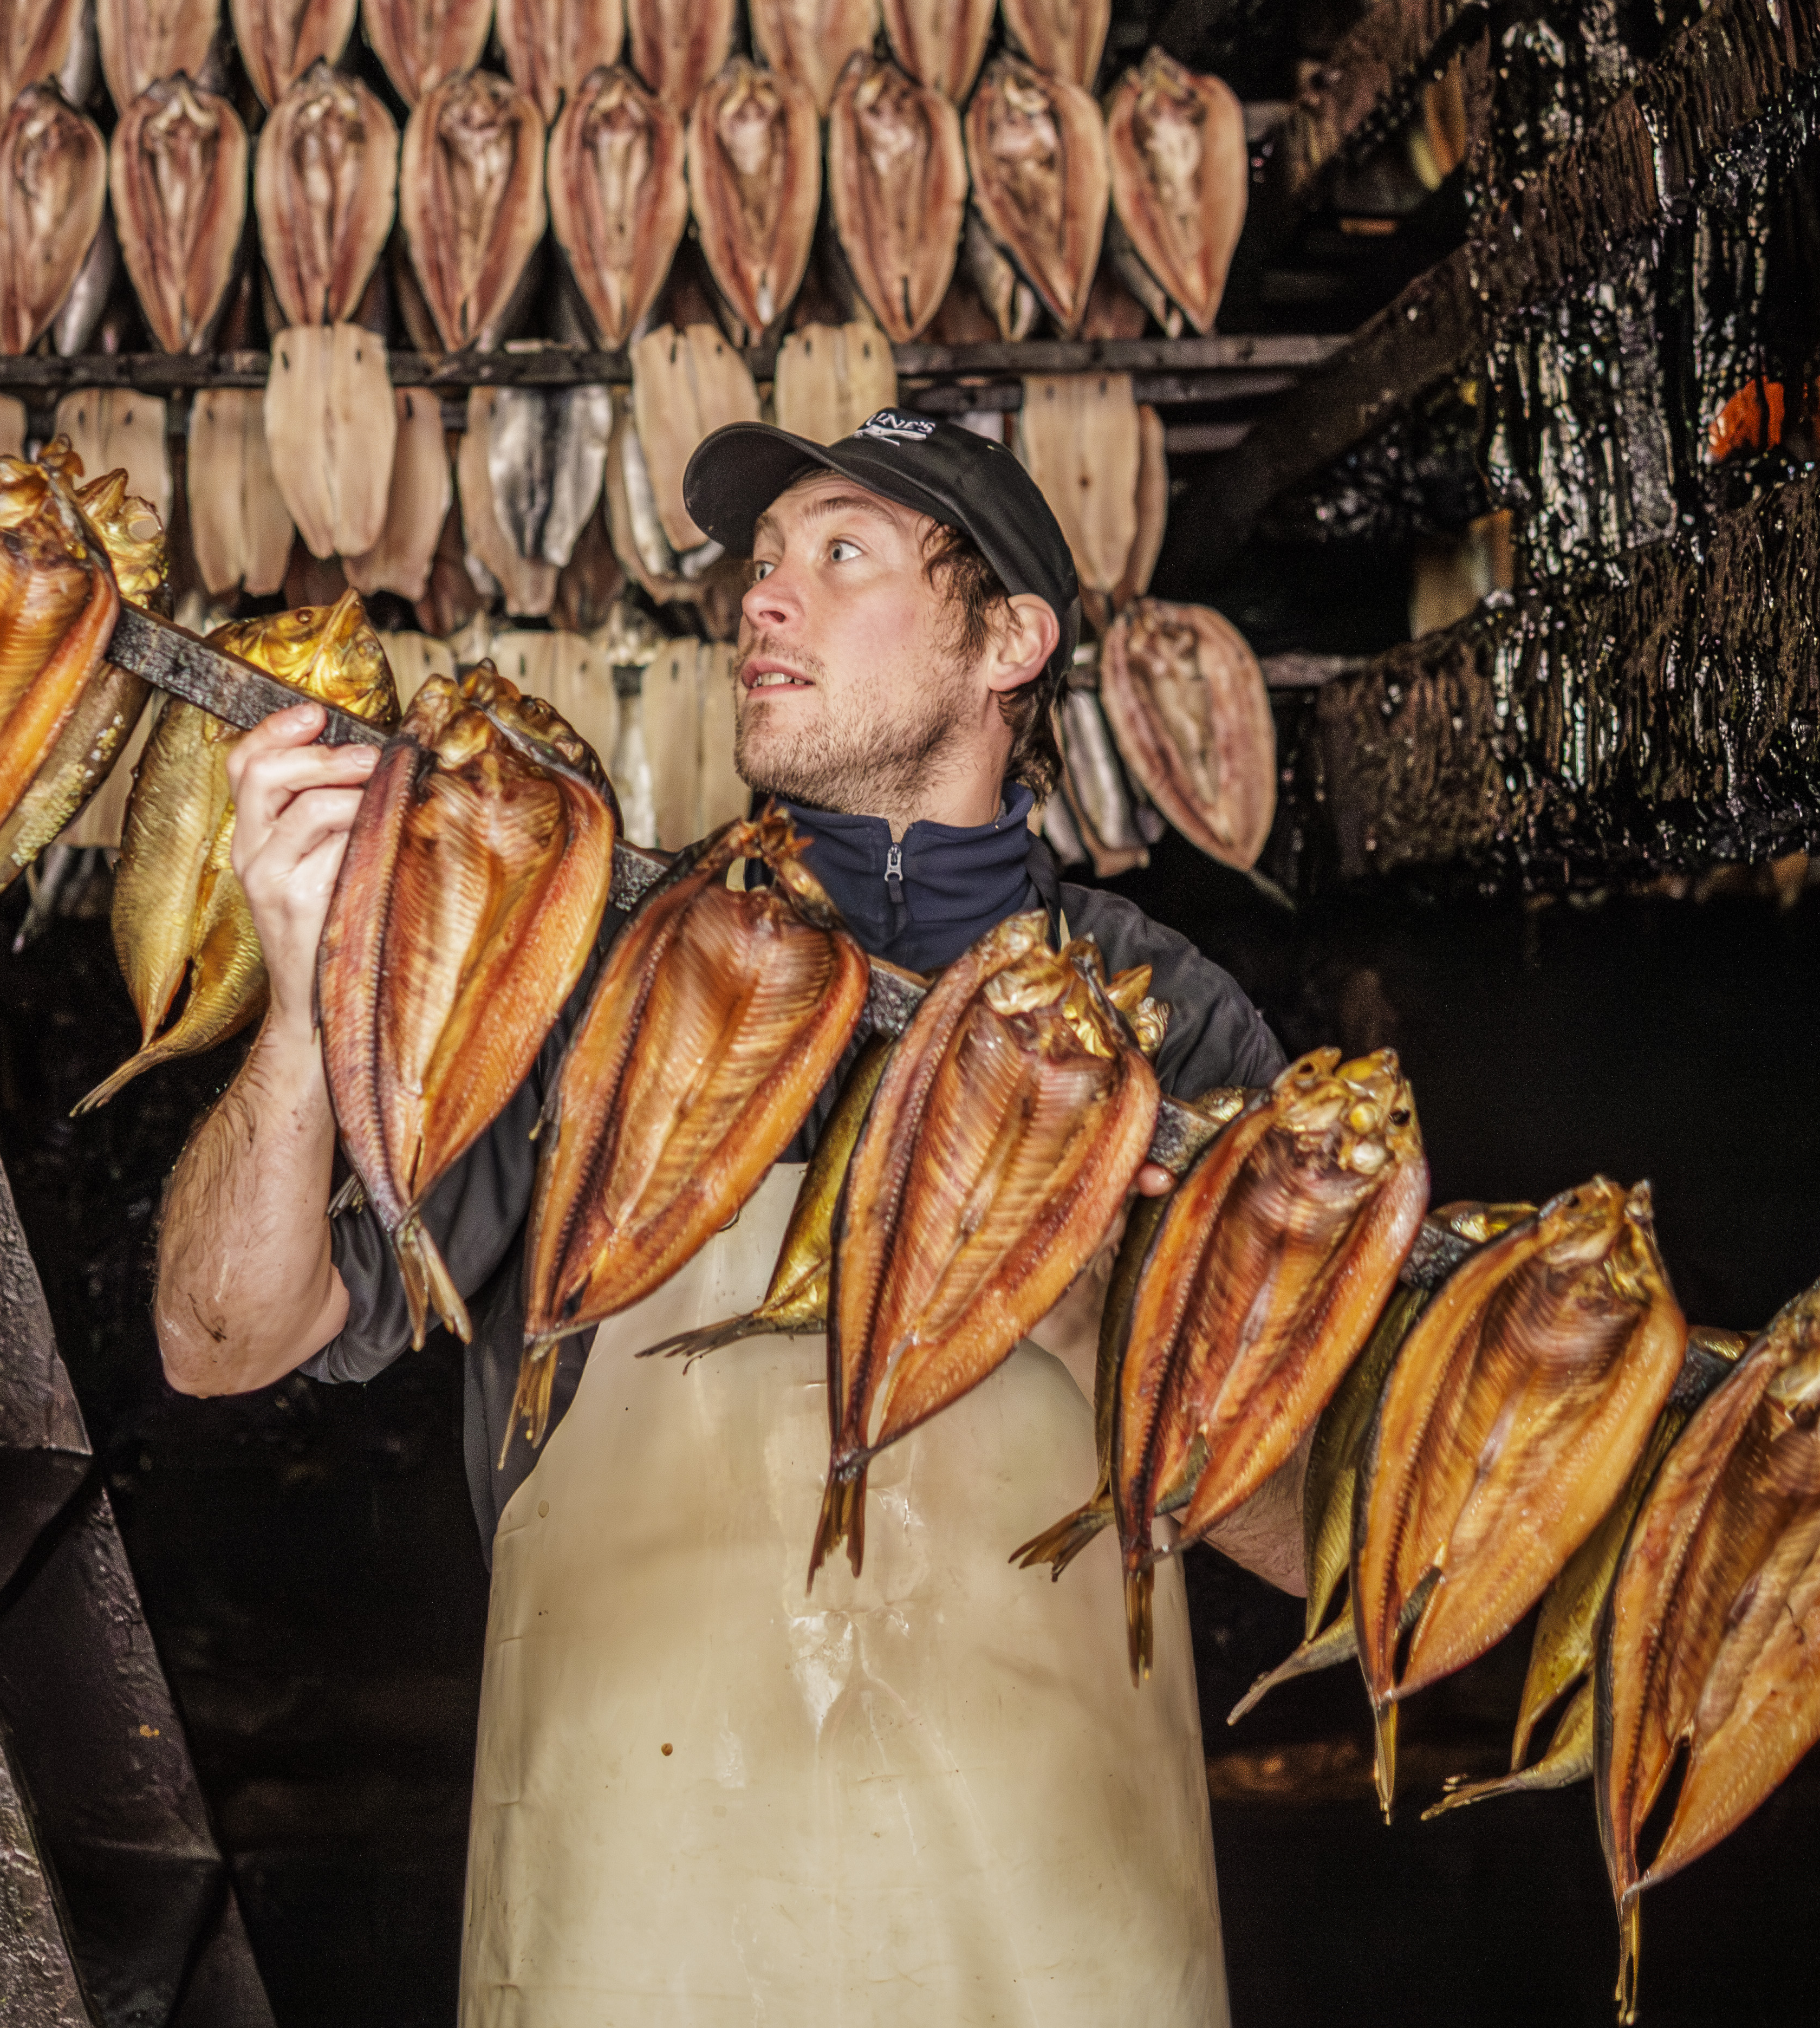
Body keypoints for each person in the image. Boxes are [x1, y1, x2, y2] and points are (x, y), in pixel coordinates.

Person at [153, 407, 1300, 2025]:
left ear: (1010, 641)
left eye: (841, 556)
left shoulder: (1167, 1029)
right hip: (634, 1937)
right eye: (761, 566)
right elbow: (219, 1334)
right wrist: (295, 998)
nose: (760, 601)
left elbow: (1325, 1529)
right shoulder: (584, 975)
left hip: (1055, 1951)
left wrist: (1077, 1296)